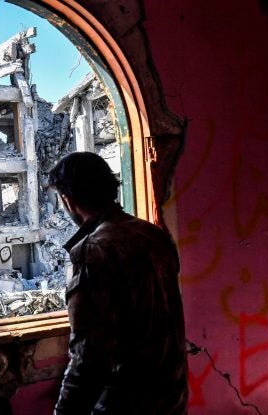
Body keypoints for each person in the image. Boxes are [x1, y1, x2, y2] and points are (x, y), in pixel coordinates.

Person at [49, 152, 188, 414]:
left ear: (68, 199)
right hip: (171, 395)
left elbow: (89, 356)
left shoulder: (94, 251)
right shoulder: (151, 234)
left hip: (126, 403)